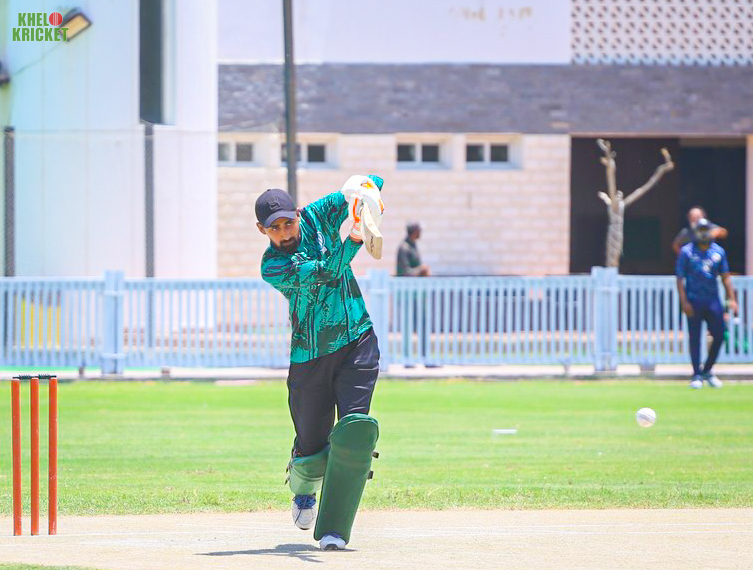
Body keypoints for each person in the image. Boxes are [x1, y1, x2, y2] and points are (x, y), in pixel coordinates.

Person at [255, 176, 384, 550]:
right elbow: (328, 272)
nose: (284, 232)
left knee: (353, 436)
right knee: (313, 451)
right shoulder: (273, 265)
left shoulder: (316, 215)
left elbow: (371, 181)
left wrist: (364, 198)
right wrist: (355, 238)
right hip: (310, 357)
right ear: (262, 230)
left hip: (357, 339)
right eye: (275, 228)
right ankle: (304, 490)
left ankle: (334, 529)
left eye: (288, 222)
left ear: (297, 214)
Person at [676, 218, 737, 389]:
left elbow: (725, 277)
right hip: (694, 299)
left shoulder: (718, 252)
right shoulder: (687, 252)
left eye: (706, 230)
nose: (703, 234)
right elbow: (680, 279)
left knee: (720, 334)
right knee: (695, 338)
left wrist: (732, 299)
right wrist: (684, 302)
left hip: (712, 299)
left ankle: (707, 370)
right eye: (700, 230)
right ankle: (696, 374)